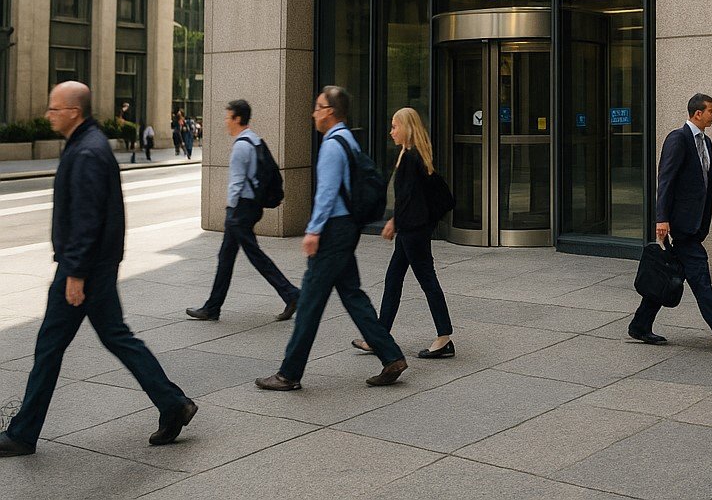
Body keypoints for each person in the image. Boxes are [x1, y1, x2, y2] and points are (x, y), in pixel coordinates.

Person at [0, 82, 198, 457]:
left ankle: (23, 435)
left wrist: (75, 274)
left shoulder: (88, 152)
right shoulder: (87, 143)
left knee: (51, 347)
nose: (49, 115)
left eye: (54, 109)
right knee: (113, 338)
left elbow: (88, 220)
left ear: (73, 111)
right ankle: (173, 403)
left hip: (84, 270)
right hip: (93, 267)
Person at [256, 86, 407, 391]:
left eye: (318, 106)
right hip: (346, 227)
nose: (314, 112)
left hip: (333, 230)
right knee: (352, 294)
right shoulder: (348, 139)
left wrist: (313, 231)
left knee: (310, 301)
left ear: (329, 112)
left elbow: (326, 193)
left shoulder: (331, 145)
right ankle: (391, 356)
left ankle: (289, 373)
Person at [628, 93, 712, 353]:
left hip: (695, 224)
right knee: (701, 281)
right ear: (698, 113)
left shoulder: (705, 142)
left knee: (670, 276)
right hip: (683, 227)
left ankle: (640, 325)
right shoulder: (678, 139)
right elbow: (666, 179)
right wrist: (661, 218)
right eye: (711, 111)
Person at [184, 100, 300, 323]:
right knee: (226, 257)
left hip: (241, 210)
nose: (226, 122)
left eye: (228, 117)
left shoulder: (240, 146)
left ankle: (292, 294)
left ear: (237, 118)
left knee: (255, 256)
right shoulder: (254, 139)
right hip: (252, 206)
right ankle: (212, 307)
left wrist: (230, 210)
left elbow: (236, 184)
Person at [353, 107, 453, 360]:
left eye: (395, 126)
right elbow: (415, 198)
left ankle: (444, 338)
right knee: (393, 280)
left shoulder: (410, 157)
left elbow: (409, 200)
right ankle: (379, 337)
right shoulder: (411, 154)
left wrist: (395, 223)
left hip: (412, 232)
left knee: (426, 281)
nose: (391, 132)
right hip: (411, 230)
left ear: (406, 128)